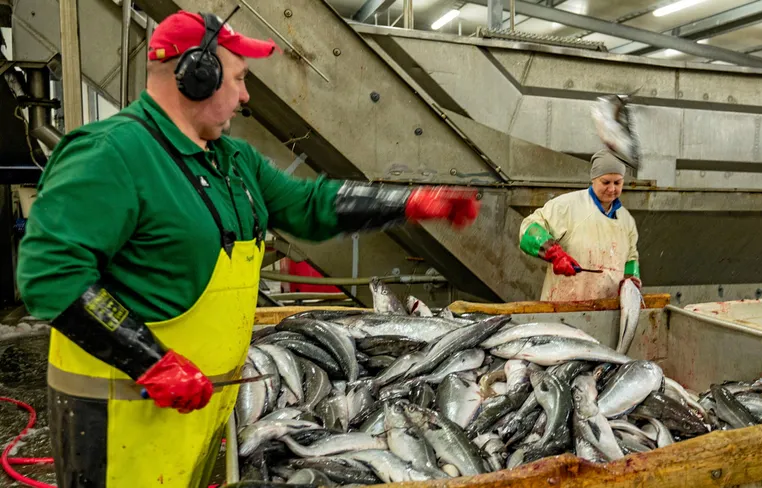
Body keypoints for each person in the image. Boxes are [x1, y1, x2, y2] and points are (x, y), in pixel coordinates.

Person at [15, 10, 479, 487]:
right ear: (199, 75)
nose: (244, 95)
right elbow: (52, 276)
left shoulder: (233, 162)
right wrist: (151, 361)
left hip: (199, 408)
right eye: (237, 79)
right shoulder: (111, 153)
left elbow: (308, 206)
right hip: (118, 415)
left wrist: (408, 202)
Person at [518, 148, 640, 302]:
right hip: (563, 309)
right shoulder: (567, 206)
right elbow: (527, 228)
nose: (612, 189)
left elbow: (631, 258)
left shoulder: (626, 220)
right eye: (606, 182)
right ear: (593, 179)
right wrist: (554, 254)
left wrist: (631, 281)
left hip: (606, 312)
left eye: (617, 182)